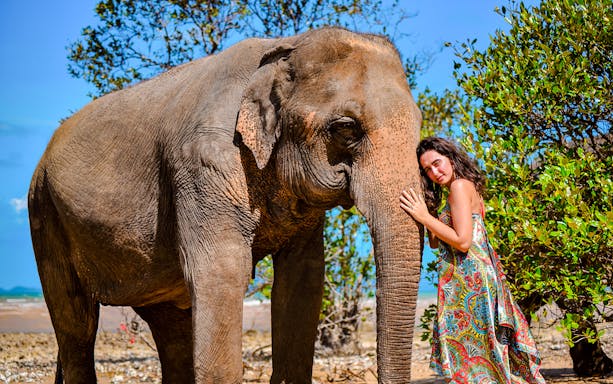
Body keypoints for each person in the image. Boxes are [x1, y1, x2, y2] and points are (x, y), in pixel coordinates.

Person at [400, 137, 546, 383]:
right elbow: (437, 243)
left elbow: (463, 241)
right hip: (463, 281)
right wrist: (431, 211)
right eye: (428, 169)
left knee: (478, 352)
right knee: (480, 352)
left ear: (450, 157)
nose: (435, 172)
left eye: (438, 163)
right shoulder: (460, 189)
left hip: (473, 282)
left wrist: (424, 217)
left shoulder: (459, 187)